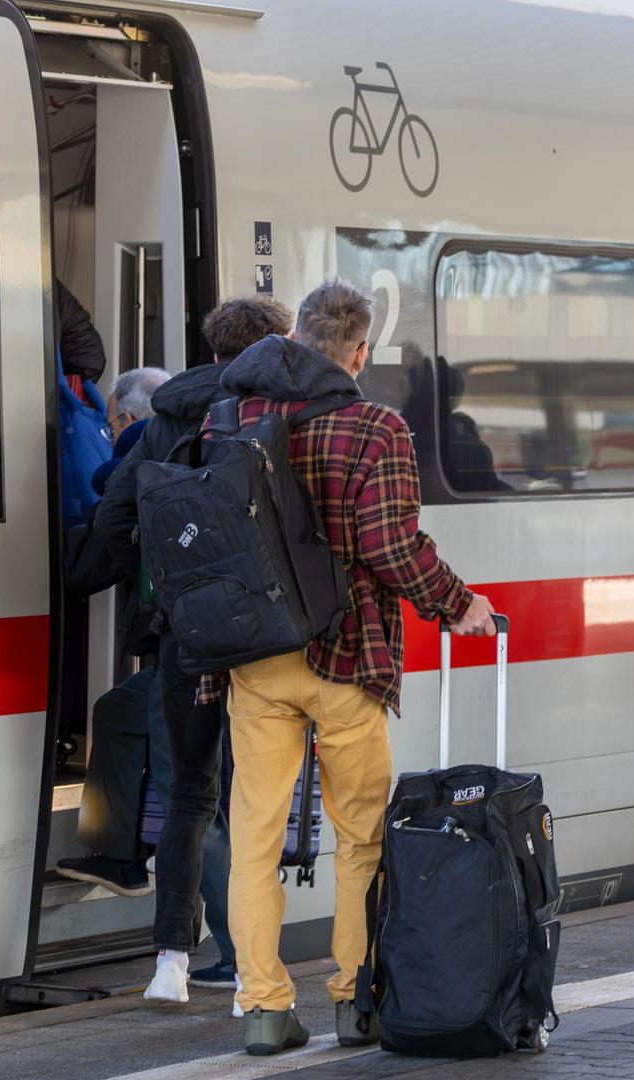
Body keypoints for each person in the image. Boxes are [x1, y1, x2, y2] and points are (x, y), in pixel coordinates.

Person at [210, 280, 496, 1056]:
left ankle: (265, 1007)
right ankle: (353, 1001)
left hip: (258, 658)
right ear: (359, 352)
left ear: (296, 337)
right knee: (360, 839)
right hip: (346, 658)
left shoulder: (234, 416)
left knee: (255, 842)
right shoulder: (375, 428)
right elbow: (391, 547)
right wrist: (456, 603)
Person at [88, 296, 296, 1005]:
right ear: (276, 346)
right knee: (255, 799)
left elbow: (117, 514)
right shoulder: (285, 412)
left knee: (189, 795)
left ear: (212, 350)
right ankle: (253, 969)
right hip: (268, 639)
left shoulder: (169, 416)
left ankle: (170, 963)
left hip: (190, 636)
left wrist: (166, 592)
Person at [57, 366, 172, 899]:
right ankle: (121, 855)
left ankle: (123, 859)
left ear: (126, 420)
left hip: (191, 658)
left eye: (108, 427)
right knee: (120, 710)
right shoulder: (196, 447)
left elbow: (85, 567)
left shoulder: (139, 467)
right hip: (221, 647)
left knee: (187, 792)